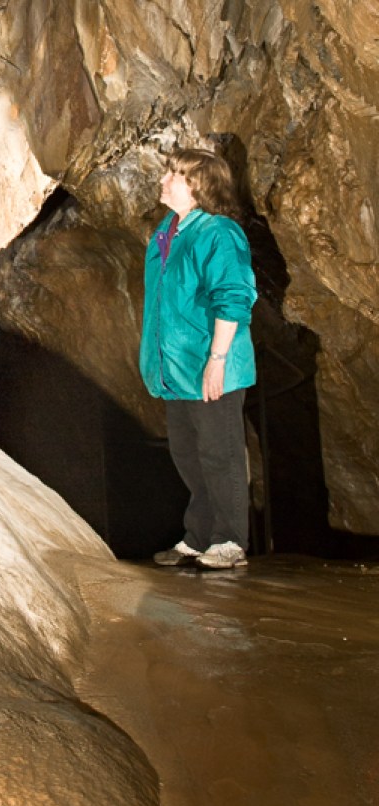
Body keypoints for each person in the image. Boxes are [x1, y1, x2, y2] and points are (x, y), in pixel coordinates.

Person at [140, 147, 257, 569]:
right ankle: (200, 535)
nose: (164, 179)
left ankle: (229, 540)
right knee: (188, 454)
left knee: (220, 453)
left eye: (175, 173)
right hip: (177, 370)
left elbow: (234, 297)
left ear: (199, 186)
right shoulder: (167, 231)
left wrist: (218, 359)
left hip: (210, 365)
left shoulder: (219, 232)